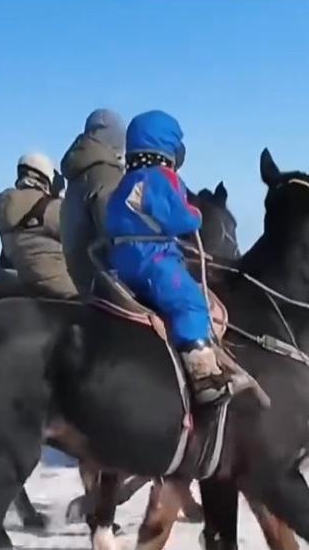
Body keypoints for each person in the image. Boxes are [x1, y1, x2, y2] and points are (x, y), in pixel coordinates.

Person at [105, 110, 228, 405]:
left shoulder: (125, 182)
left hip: (122, 259)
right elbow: (178, 219)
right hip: (154, 258)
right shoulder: (162, 178)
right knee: (190, 300)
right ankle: (203, 373)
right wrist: (196, 216)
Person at [0, 152, 77, 298]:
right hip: (59, 287)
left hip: (15, 285)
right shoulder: (51, 208)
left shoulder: (2, 207)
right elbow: (82, 234)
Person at [60, 109, 126, 295]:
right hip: (106, 281)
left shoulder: (77, 176)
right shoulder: (106, 175)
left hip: (80, 276)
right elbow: (117, 233)